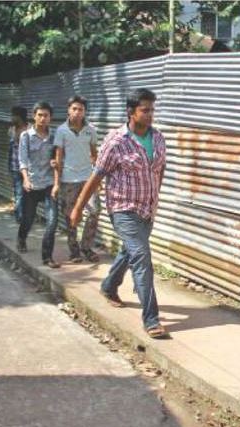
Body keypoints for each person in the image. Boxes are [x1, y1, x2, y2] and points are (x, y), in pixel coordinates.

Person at [69, 88, 168, 339]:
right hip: (123, 209)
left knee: (129, 251)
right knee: (141, 256)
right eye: (145, 110)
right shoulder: (116, 141)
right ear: (131, 111)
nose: (150, 114)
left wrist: (156, 196)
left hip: (147, 208)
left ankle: (109, 285)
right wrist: (78, 207)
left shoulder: (158, 138)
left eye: (152, 110)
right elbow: (96, 176)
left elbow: (160, 168)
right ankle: (151, 319)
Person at [53, 95, 101, 263]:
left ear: (85, 111)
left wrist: (98, 180)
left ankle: (86, 247)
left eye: (81, 109)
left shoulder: (91, 130)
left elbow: (94, 155)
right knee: (70, 216)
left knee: (94, 211)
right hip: (68, 179)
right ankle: (74, 251)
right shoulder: (61, 131)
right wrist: (56, 183)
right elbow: (58, 158)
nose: (77, 112)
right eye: (74, 109)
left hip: (88, 179)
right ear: (68, 110)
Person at [17, 101, 61, 268]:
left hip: (49, 184)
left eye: (46, 115)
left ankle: (47, 257)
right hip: (32, 184)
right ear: (34, 116)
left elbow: (58, 158)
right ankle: (21, 237)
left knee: (52, 220)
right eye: (40, 115)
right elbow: (22, 160)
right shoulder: (26, 136)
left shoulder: (54, 136)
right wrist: (25, 179)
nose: (43, 118)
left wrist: (56, 170)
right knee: (28, 219)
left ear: (50, 118)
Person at [8, 106, 29, 223]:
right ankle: (20, 217)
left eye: (13, 116)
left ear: (19, 117)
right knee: (18, 193)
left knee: (26, 194)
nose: (11, 118)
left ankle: (23, 215)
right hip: (15, 166)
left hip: (27, 168)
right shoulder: (11, 130)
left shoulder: (29, 130)